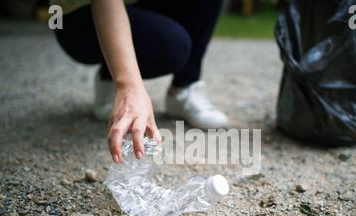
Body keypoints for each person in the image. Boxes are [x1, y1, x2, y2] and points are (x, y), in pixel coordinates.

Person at [53, 0, 228, 162]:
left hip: (142, 6)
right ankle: (111, 76)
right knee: (171, 44)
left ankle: (184, 88)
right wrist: (127, 87)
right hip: (71, 16)